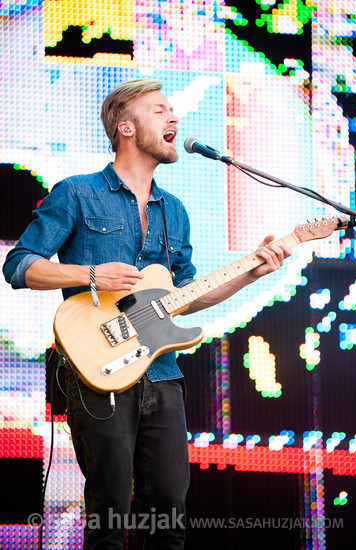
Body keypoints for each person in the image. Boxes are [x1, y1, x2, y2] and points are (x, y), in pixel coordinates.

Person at [2, 78, 292, 549]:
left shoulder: (174, 210)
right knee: (109, 513)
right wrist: (91, 274)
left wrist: (251, 273)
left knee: (169, 517)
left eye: (173, 110)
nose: (174, 118)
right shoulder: (76, 193)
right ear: (127, 128)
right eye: (160, 110)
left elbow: (186, 296)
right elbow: (18, 265)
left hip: (162, 374)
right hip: (98, 372)